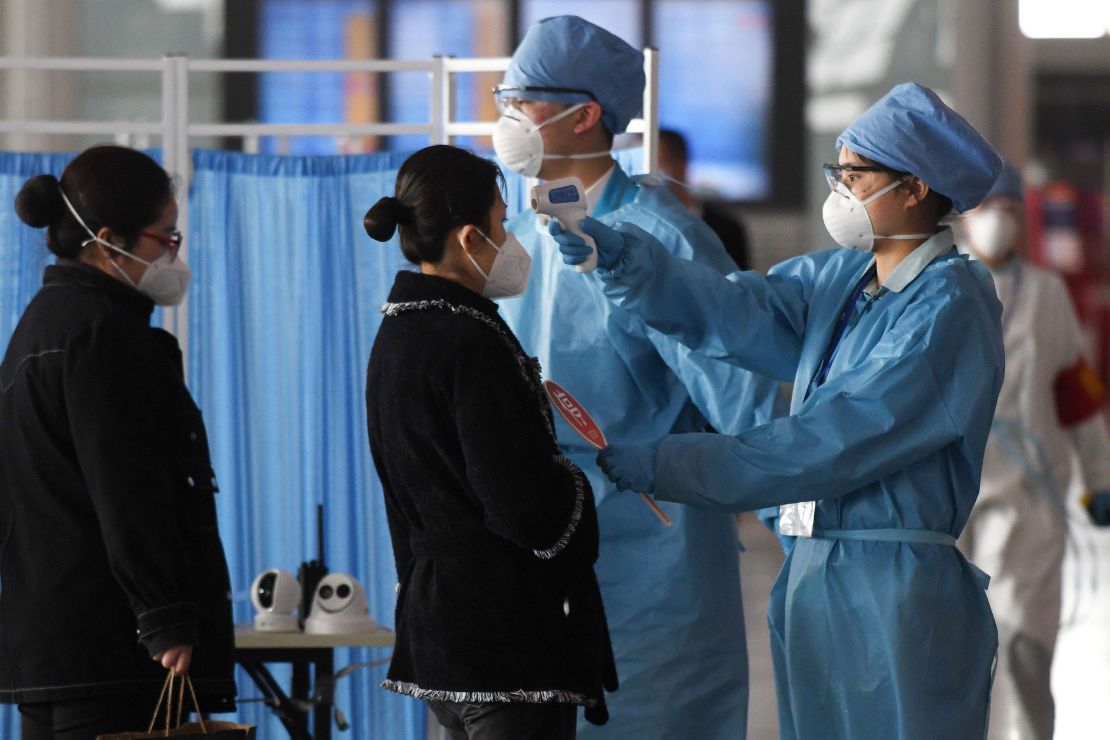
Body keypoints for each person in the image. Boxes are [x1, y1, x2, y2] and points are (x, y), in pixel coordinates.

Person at [555, 83, 1007, 739]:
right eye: (838, 172)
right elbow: (736, 312)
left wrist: (666, 462)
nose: (841, 190)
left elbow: (829, 443)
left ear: (913, 189)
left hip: (895, 590)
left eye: (856, 175)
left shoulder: (950, 307)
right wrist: (631, 264)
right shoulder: (842, 281)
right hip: (812, 573)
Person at [492, 16, 785, 739]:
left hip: (652, 563)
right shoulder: (515, 231)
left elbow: (742, 392)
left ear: (584, 113)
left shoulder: (661, 238)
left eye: (520, 101)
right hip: (535, 551)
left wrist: (801, 519)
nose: (505, 120)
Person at [363, 145, 616, 740]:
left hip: (438, 636)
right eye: (503, 224)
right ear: (471, 239)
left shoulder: (396, 334)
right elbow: (525, 510)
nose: (511, 240)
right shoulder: (471, 342)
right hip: (504, 642)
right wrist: (575, 483)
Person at [1, 145, 236, 739]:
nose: (175, 254)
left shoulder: (39, 324)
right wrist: (164, 616)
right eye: (166, 239)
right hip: (111, 649)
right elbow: (128, 490)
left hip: (47, 643)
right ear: (108, 241)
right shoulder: (105, 335)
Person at [956, 162, 1110, 740]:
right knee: (949, 649)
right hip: (949, 504)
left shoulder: (1047, 294)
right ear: (962, 216)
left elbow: (1077, 396)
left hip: (1029, 502)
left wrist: (1100, 478)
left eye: (1011, 210)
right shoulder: (940, 286)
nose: (998, 221)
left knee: (1023, 644)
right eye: (986, 209)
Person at [657, 128, 751, 270]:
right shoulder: (634, 228)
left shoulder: (726, 230)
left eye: (657, 162)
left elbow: (741, 287)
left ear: (681, 164)